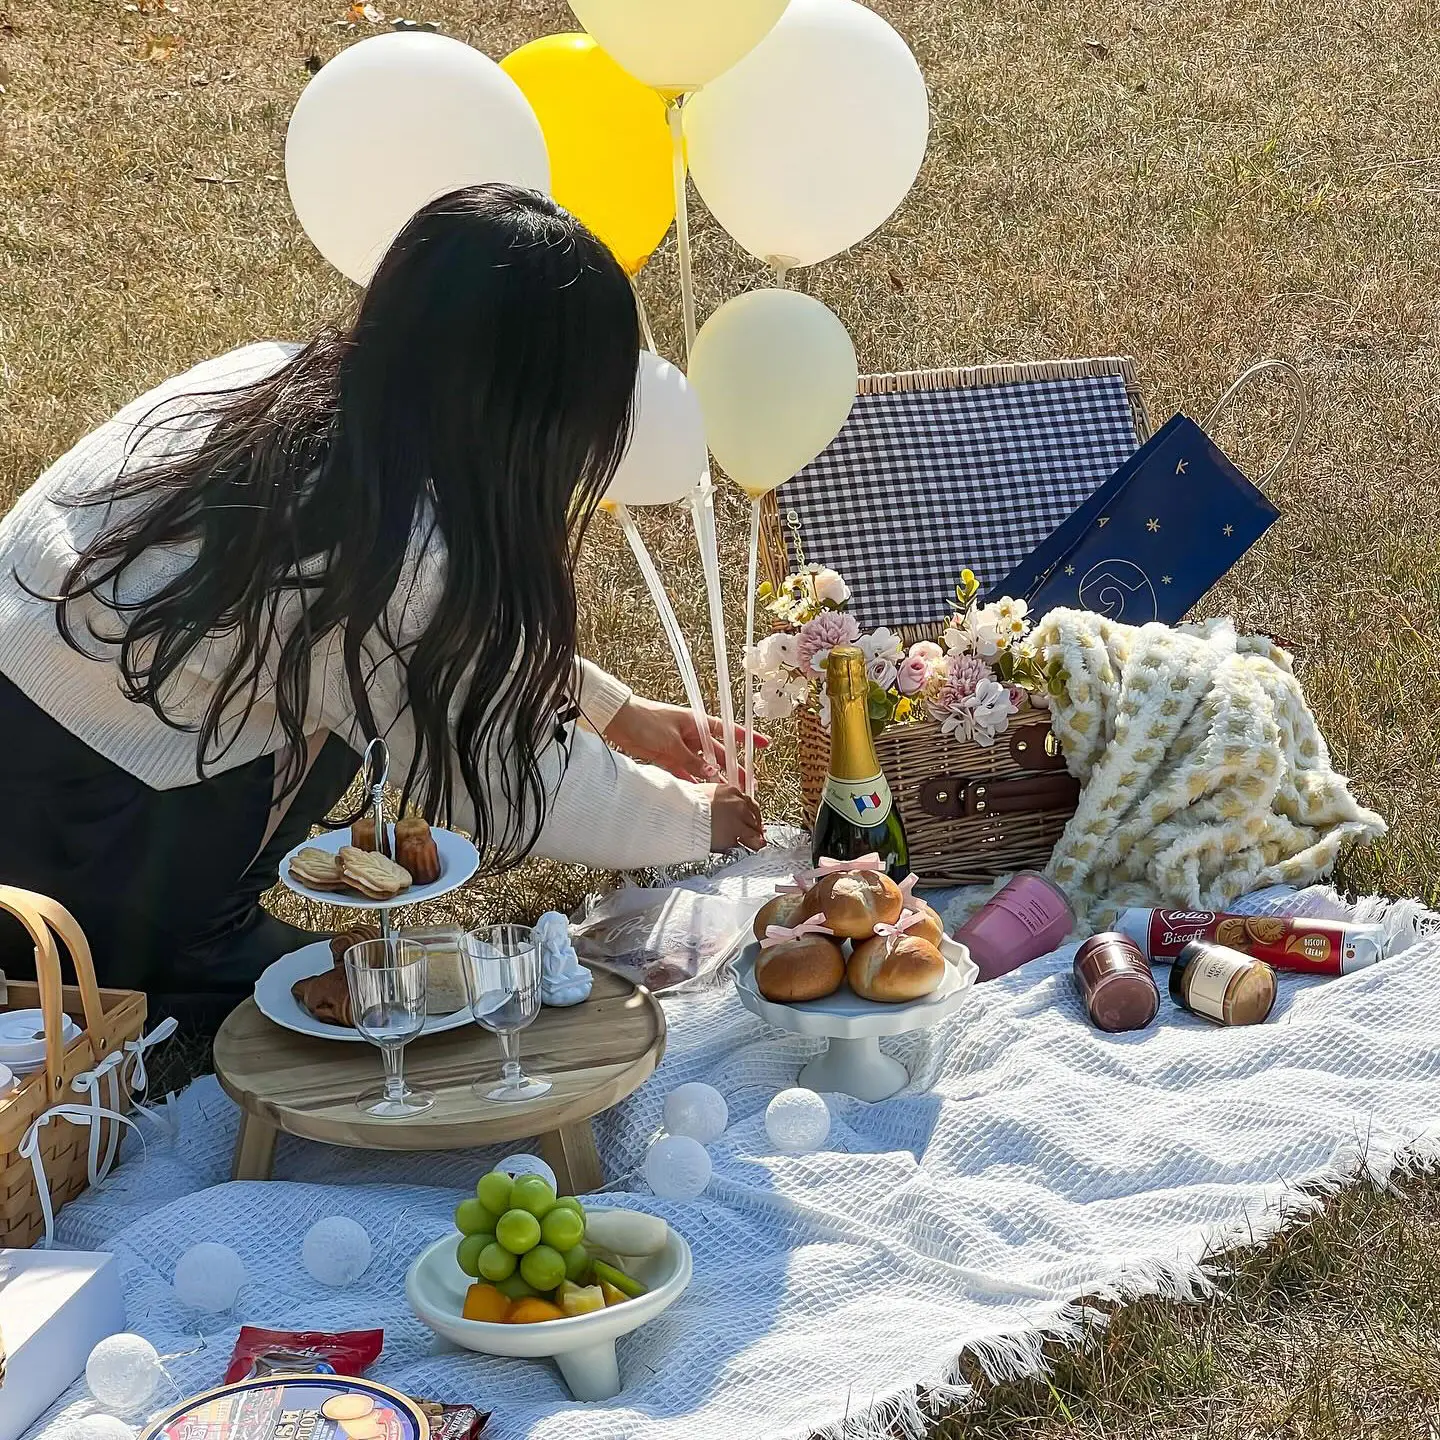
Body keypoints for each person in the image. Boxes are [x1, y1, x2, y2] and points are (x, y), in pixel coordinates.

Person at [0, 184, 764, 1023]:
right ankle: (177, 958)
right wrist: (702, 823)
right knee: (407, 992)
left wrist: (615, 711)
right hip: (67, 848)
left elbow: (438, 638)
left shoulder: (274, 377)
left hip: (40, 729)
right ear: (534, 415)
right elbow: (509, 778)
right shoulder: (396, 543)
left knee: (350, 694)